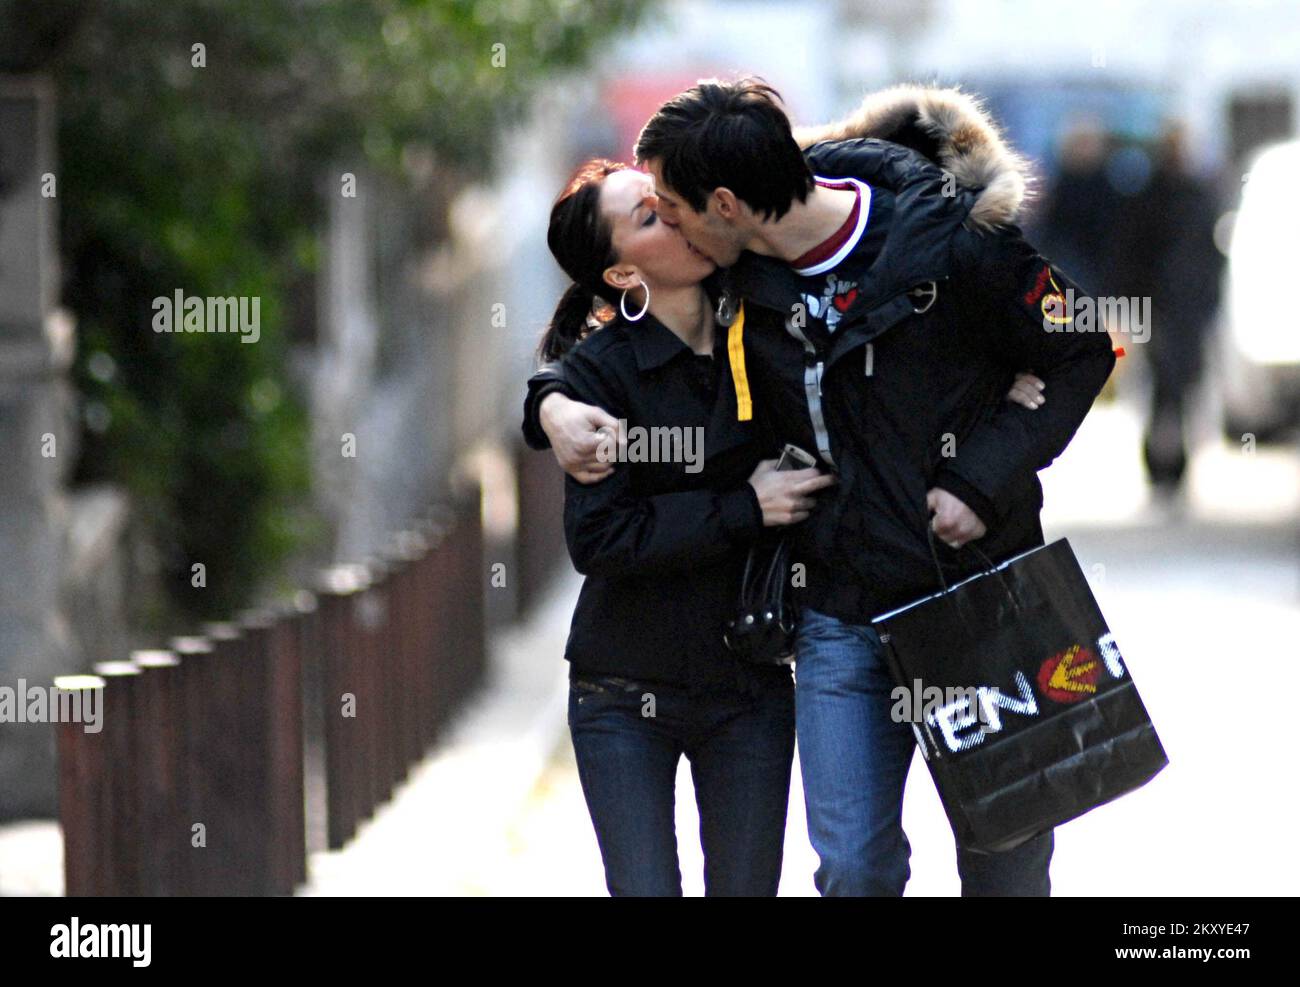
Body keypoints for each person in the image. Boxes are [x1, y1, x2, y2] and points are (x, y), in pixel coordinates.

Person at [526, 81, 1116, 896]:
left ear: (726, 204)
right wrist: (548, 404)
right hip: (839, 614)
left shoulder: (955, 240)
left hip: (979, 597)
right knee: (852, 867)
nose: (669, 221)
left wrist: (982, 472)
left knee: (1005, 859)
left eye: (670, 203)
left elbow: (1081, 345)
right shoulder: (735, 279)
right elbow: (613, 340)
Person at [537, 157, 836, 896]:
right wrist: (745, 506)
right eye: (647, 218)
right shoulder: (598, 377)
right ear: (621, 276)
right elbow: (602, 539)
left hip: (748, 687)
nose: (673, 213)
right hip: (622, 689)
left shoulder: (768, 331)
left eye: (664, 198)